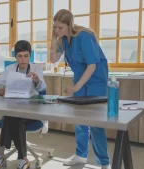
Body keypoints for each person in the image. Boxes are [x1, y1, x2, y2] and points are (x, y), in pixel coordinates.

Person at [50, 9, 111, 169]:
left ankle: (104, 162)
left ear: (70, 25)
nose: (57, 30)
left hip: (96, 80)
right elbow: (53, 59)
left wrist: (75, 87)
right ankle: (80, 155)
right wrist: (53, 38)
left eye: (60, 28)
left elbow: (91, 66)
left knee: (96, 123)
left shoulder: (84, 37)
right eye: (54, 27)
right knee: (79, 119)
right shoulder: (63, 39)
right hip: (80, 79)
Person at [0, 40, 48, 169]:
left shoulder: (36, 69)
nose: (23, 59)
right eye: (20, 56)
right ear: (15, 57)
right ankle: (23, 158)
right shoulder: (9, 69)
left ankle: (0, 154)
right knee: (15, 117)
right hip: (15, 110)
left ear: (30, 56)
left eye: (26, 56)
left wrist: (37, 80)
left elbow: (43, 87)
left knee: (11, 116)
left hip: (32, 111)